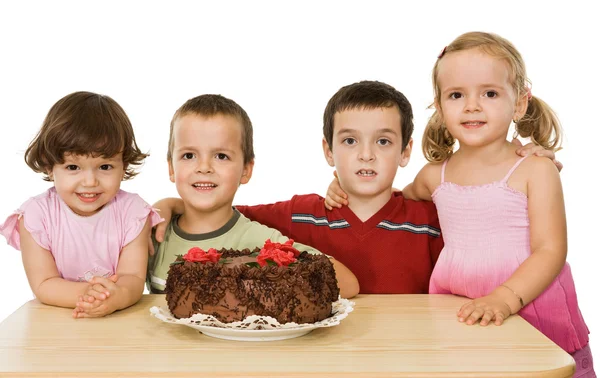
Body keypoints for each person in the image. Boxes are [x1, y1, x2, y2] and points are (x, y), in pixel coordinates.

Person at [331, 32, 592, 376]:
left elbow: (550, 250)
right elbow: (388, 205)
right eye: (456, 95)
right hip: (457, 313)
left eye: (490, 93)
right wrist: (342, 185)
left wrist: (505, 298)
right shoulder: (433, 176)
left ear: (519, 103)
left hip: (529, 305)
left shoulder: (535, 170)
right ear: (439, 107)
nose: (472, 105)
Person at [155, 81, 559, 295]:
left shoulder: (430, 218)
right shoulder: (300, 214)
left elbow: (489, 226)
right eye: (350, 141)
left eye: (382, 142)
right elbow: (225, 212)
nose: (366, 155)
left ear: (404, 152)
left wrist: (517, 159)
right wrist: (171, 203)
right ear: (329, 151)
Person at [147, 94, 359, 299]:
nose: (204, 167)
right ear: (171, 168)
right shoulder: (152, 235)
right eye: (189, 155)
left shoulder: (259, 241)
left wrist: (266, 279)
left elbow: (348, 285)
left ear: (246, 170)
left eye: (221, 156)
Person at [0, 92, 163, 318]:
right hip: (57, 323)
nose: (90, 182)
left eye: (105, 167)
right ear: (49, 166)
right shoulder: (35, 215)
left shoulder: (133, 212)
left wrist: (117, 296)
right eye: (73, 167)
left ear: (123, 165)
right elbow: (44, 284)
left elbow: (133, 277)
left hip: (119, 321)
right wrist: (92, 295)